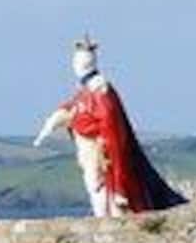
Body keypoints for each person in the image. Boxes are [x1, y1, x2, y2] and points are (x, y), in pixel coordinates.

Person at [34, 35, 187, 217]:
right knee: (96, 188)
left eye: (77, 61)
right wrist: (52, 123)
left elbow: (108, 122)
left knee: (101, 189)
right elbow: (72, 108)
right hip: (91, 153)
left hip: (101, 153)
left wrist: (89, 132)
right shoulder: (87, 91)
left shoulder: (101, 90)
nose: (74, 65)